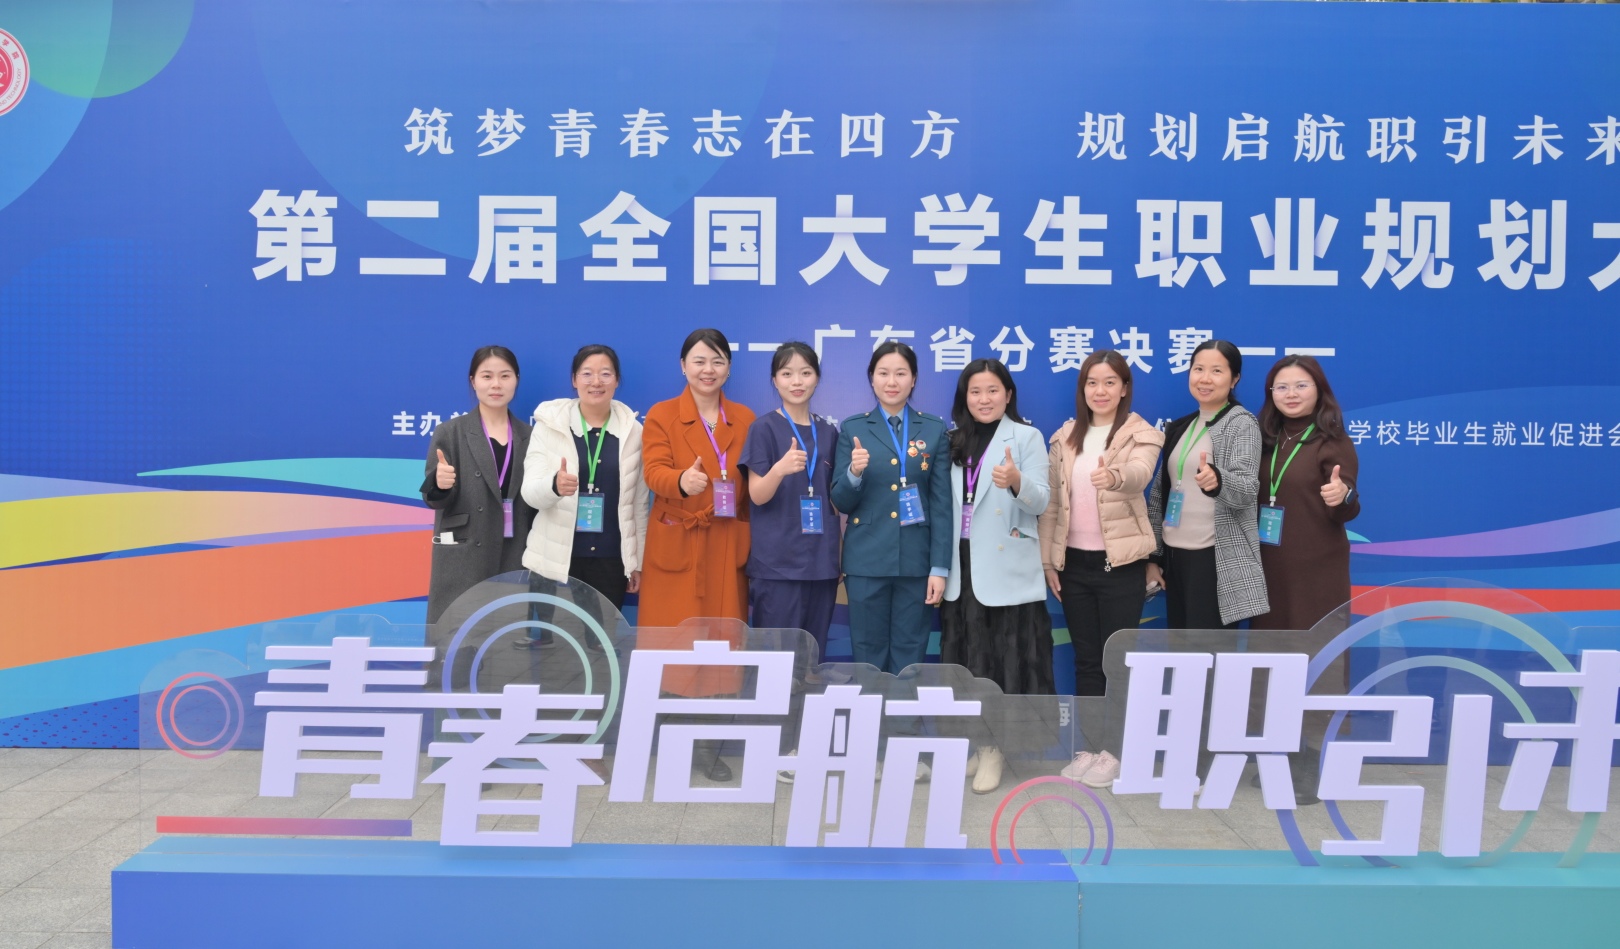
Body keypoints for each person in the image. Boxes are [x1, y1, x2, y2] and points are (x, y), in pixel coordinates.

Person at [1036, 350, 1163, 789]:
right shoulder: (1065, 437)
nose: (1101, 390)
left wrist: (1115, 478)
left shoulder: (1141, 433)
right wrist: (1049, 560)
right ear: (1083, 389)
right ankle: (1088, 748)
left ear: (1124, 388)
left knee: (1118, 664)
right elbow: (1053, 505)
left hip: (1121, 566)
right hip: (1074, 565)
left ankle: (1115, 752)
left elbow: (1140, 474)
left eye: (1110, 382)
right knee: (1087, 660)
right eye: (1092, 382)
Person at [639, 328, 756, 781]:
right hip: (680, 541)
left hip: (725, 542)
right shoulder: (662, 414)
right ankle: (672, 739)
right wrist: (679, 482)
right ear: (683, 366)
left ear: (729, 368)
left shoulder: (744, 417)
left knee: (722, 643)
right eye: (700, 361)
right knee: (675, 643)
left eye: (718, 361)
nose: (709, 370)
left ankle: (708, 745)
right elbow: (653, 471)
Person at [940, 359, 1052, 794]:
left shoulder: (1025, 437)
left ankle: (996, 747)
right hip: (962, 567)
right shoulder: (953, 441)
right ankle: (975, 742)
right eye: (975, 391)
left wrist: (1017, 480)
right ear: (963, 398)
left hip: (1005, 569)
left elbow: (1041, 502)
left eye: (992, 390)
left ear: (1008, 394)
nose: (984, 399)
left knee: (1004, 660)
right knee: (968, 661)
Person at [830, 341, 952, 677]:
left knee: (910, 653)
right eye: (883, 373)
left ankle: (904, 712)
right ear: (872, 379)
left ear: (914, 379)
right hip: (866, 561)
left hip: (916, 561)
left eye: (901, 373)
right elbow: (841, 501)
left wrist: (939, 567)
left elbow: (941, 504)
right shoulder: (853, 428)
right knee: (867, 653)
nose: (892, 381)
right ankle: (872, 712)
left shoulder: (933, 429)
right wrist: (854, 473)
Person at [516, 344, 649, 648]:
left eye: (605, 374)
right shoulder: (549, 427)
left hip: (609, 558)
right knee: (543, 650)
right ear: (574, 379)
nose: (596, 382)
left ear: (617, 380)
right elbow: (530, 493)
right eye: (587, 374)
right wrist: (554, 486)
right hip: (554, 556)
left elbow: (639, 505)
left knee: (601, 648)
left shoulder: (634, 433)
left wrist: (635, 561)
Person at [1146, 339, 1268, 630]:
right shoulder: (1181, 426)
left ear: (1234, 379)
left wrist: (1218, 481)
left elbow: (1247, 489)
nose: (1204, 378)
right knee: (1182, 650)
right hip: (1175, 556)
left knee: (1209, 652)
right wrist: (1153, 557)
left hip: (1214, 558)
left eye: (1216, 371)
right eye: (1198, 369)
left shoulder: (1242, 423)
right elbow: (1160, 494)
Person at [739, 342, 842, 658]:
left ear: (817, 378)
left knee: (812, 657)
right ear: (774, 380)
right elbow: (757, 495)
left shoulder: (828, 432)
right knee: (776, 661)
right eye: (787, 374)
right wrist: (779, 470)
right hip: (777, 566)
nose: (797, 381)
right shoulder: (763, 428)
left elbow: (835, 499)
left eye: (805, 373)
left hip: (821, 563)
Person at [421, 346, 537, 626]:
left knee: (505, 638)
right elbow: (434, 499)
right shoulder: (451, 431)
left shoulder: (531, 436)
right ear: (473, 381)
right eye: (487, 376)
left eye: (505, 376)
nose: (496, 384)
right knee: (457, 640)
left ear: (516, 380)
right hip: (465, 555)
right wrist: (439, 484)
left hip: (514, 552)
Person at [1253, 355, 1360, 631]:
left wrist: (1342, 496)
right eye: (1281, 387)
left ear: (1319, 389)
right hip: (1267, 562)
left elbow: (1348, 505)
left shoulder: (1333, 440)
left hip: (1317, 567)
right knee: (1269, 646)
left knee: (1315, 646)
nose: (1291, 394)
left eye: (1301, 386)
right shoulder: (1263, 438)